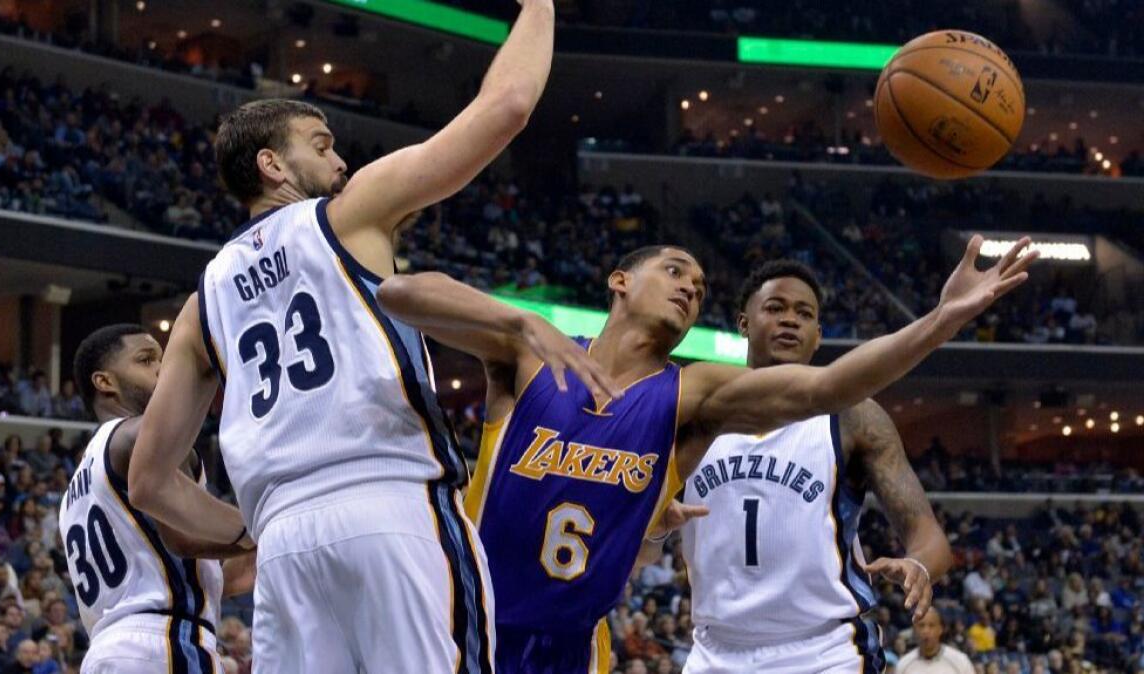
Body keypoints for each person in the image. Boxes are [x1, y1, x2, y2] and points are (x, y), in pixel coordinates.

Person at [128, 2, 566, 672]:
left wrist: (245, 533)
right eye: (322, 143)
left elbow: (151, 480)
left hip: (284, 545)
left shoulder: (202, 300)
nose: (340, 159)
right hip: (391, 507)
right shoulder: (347, 212)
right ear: (272, 165)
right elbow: (506, 105)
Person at [374, 235, 1035, 673]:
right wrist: (519, 319)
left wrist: (939, 322)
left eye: (699, 285)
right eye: (674, 271)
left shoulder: (693, 393)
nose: (691, 287)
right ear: (620, 281)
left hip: (583, 642)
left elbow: (833, 385)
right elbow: (397, 293)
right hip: (471, 620)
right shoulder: (531, 353)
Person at [671, 261, 951, 673]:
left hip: (824, 651)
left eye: (804, 314)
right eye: (776, 308)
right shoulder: (692, 416)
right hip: (715, 650)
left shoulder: (853, 417)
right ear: (744, 323)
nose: (790, 320)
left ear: (818, 336)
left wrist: (919, 565)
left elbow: (928, 535)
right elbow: (642, 543)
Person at [59, 325, 255, 673]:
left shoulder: (78, 484)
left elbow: (162, 566)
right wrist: (265, 525)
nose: (163, 369)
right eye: (146, 359)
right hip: (162, 642)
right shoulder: (143, 437)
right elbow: (184, 538)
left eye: (164, 358)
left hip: (110, 652)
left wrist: (233, 567)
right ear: (105, 382)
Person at [895, 607, 976, 674]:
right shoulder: (903, 664)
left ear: (941, 629)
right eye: (921, 625)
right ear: (914, 630)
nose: (926, 631)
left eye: (931, 625)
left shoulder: (960, 661)